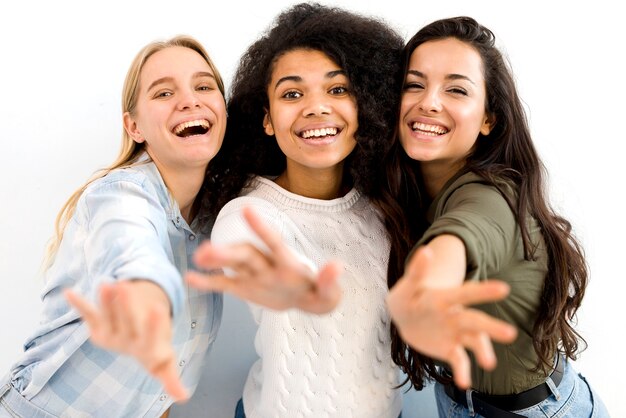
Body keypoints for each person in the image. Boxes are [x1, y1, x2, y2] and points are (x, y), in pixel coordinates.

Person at [379, 16, 609, 417]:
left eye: (456, 89)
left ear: (489, 118)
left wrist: (426, 288)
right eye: (414, 84)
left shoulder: (492, 196)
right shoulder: (413, 188)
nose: (429, 101)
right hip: (465, 401)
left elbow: (463, 238)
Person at [186, 3, 406, 417]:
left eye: (338, 89)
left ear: (366, 106)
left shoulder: (384, 205)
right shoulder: (247, 215)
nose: (316, 107)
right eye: (292, 94)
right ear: (267, 120)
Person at [0, 35, 226, 418]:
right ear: (134, 126)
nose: (190, 100)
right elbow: (128, 245)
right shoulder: (120, 195)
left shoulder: (216, 218)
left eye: (203, 86)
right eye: (163, 93)